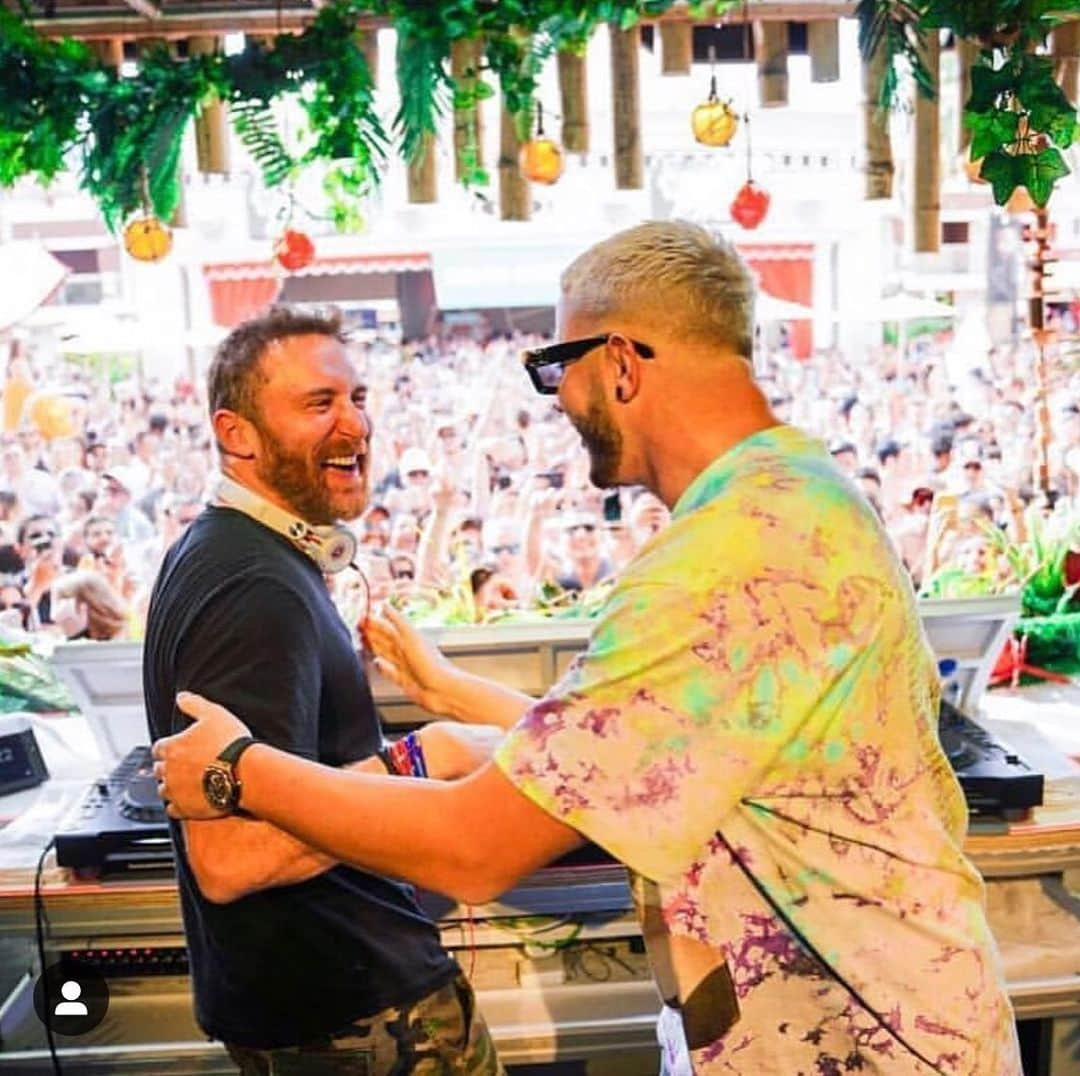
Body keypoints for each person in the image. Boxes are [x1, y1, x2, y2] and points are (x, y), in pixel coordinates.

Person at [153, 223, 1022, 1074]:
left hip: (860, 1038)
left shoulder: (723, 559)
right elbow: (664, 747)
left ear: (619, 362)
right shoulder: (795, 495)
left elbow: (475, 849)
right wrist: (458, 698)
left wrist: (238, 770)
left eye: (554, 368)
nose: (560, 400)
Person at [142, 307, 502, 1074]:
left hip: (327, 1005)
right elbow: (232, 857)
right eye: (319, 404)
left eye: (357, 398)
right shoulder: (254, 584)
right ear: (236, 434)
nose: (354, 425)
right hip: (355, 1016)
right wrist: (421, 756)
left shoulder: (241, 556)